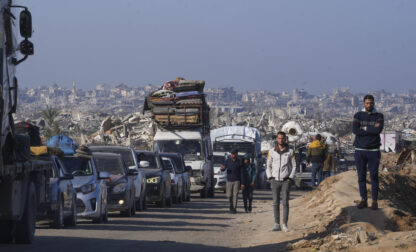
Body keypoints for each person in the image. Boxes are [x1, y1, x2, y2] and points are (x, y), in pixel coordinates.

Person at [352, 94, 384, 210]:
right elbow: (355, 130)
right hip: (360, 150)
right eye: (367, 103)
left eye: (371, 103)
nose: (369, 105)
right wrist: (371, 129)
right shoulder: (358, 115)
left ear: (374, 104)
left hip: (373, 150)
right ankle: (363, 200)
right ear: (363, 104)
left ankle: (374, 201)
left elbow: (378, 130)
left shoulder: (379, 116)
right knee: (361, 176)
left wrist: (364, 128)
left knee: (374, 176)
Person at [266, 131, 296, 232]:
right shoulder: (271, 151)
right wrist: (270, 177)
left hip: (285, 181)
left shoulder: (290, 152)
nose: (280, 140)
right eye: (279, 138)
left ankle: (284, 224)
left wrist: (290, 178)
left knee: (285, 203)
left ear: (285, 139)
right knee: (275, 203)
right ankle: (276, 224)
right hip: (274, 180)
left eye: (282, 138)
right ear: (276, 139)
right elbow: (268, 166)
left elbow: (294, 166)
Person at [221, 149, 244, 214]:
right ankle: (231, 205)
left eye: (234, 154)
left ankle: (234, 208)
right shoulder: (228, 161)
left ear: (237, 154)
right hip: (229, 180)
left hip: (237, 181)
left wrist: (242, 183)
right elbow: (223, 168)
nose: (232, 155)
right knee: (229, 195)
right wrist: (222, 168)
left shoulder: (239, 162)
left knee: (235, 195)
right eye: (231, 154)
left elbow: (242, 173)